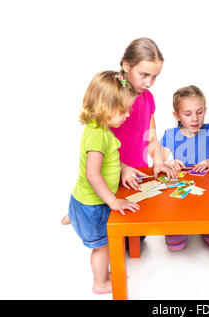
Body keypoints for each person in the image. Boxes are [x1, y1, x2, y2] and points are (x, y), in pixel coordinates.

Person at [61, 37, 176, 225]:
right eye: (144, 75)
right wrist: (122, 168)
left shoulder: (148, 98)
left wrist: (158, 162)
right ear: (126, 65)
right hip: (110, 173)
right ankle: (77, 214)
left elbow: (151, 136)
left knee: (138, 234)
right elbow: (97, 147)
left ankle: (79, 215)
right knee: (105, 221)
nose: (149, 82)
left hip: (136, 172)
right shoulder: (111, 99)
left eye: (155, 76)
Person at [68, 71, 140, 294]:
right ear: (104, 106)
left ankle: (73, 216)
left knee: (101, 241)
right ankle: (100, 283)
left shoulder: (99, 129)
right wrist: (113, 201)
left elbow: (110, 161)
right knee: (102, 246)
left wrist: (125, 168)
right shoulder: (98, 135)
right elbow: (92, 174)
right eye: (123, 110)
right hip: (93, 206)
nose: (127, 115)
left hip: (84, 202)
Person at [160, 85, 209, 251]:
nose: (195, 118)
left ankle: (206, 222)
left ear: (205, 110)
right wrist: (168, 163)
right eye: (188, 114)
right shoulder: (170, 135)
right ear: (176, 115)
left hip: (208, 193)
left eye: (199, 112)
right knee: (175, 245)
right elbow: (156, 167)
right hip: (180, 195)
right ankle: (178, 224)